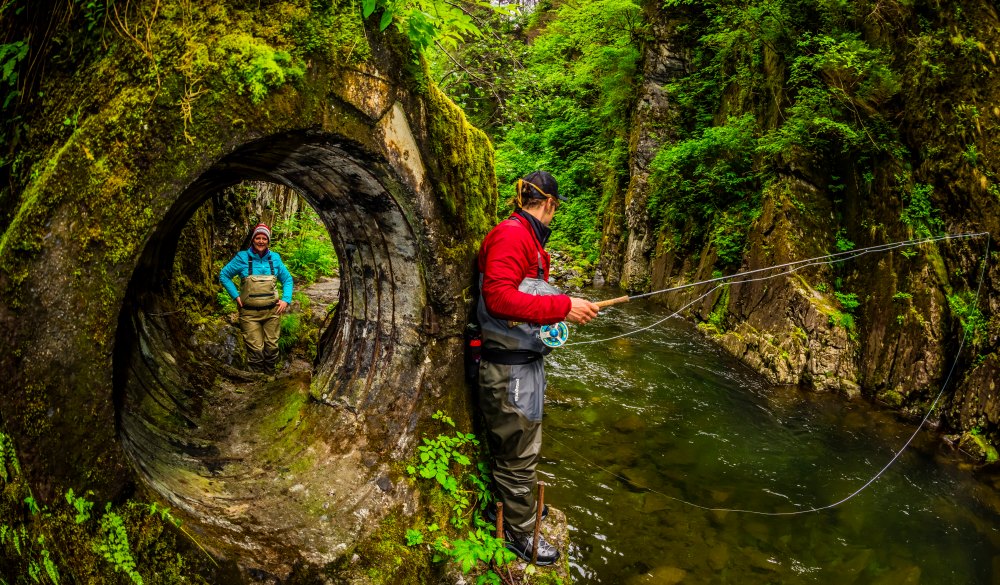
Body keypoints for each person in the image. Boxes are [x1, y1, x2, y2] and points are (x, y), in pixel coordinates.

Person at [476, 171, 600, 565]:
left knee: (523, 441)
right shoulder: (513, 236)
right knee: (519, 449)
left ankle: (519, 504)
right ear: (549, 204)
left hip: (523, 362)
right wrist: (563, 306)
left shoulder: (525, 238)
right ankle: (519, 532)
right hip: (509, 367)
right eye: (556, 208)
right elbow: (497, 298)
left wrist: (563, 307)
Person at [219, 223, 294, 372]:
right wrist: (236, 296)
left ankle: (270, 379)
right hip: (249, 314)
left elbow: (287, 279)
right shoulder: (242, 257)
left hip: (272, 313)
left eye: (264, 238)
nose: (261, 241)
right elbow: (224, 275)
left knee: (272, 348)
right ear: (253, 239)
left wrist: (286, 299)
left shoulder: (275, 258)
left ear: (268, 241)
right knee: (256, 350)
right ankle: (256, 382)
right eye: (258, 238)